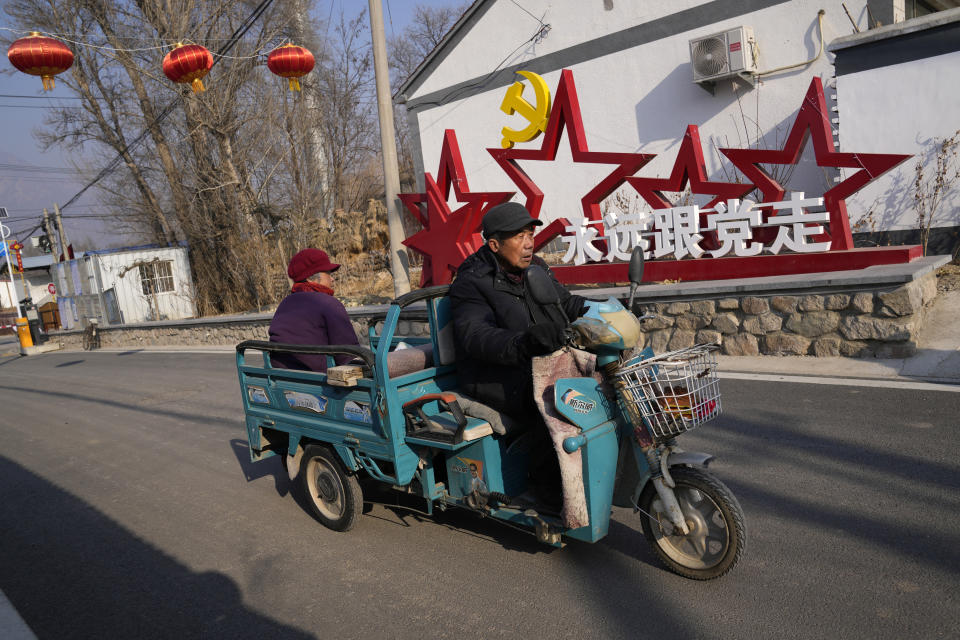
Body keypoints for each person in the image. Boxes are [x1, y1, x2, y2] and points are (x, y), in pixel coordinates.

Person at [449, 201, 587, 424]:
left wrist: (602, 307)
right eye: (519, 237)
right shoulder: (471, 281)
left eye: (530, 235)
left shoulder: (536, 267)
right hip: (496, 377)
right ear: (495, 245)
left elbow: (565, 302)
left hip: (541, 363)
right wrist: (525, 342)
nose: (529, 244)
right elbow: (476, 335)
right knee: (564, 406)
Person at [269, 248, 359, 372]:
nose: (332, 279)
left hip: (282, 378)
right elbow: (348, 355)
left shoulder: (285, 303)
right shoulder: (329, 304)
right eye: (328, 273)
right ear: (311, 278)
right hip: (318, 382)